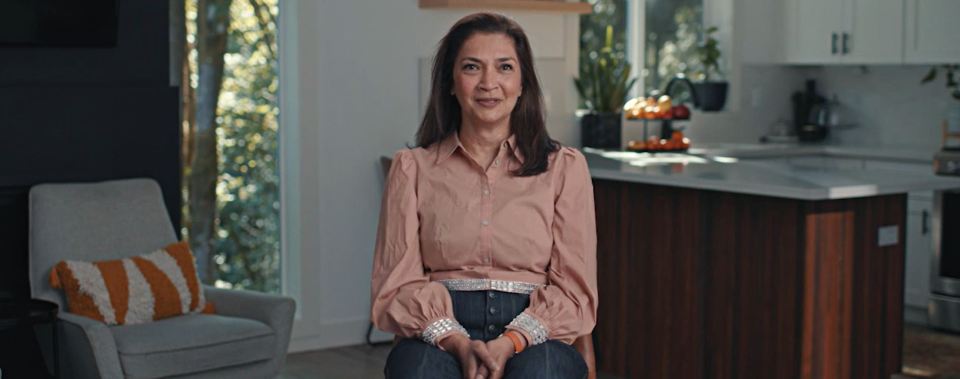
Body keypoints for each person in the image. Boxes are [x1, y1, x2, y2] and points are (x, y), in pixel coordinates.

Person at [370, 12, 597, 379]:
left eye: (505, 67)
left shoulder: (564, 168)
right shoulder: (412, 168)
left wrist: (512, 341)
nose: (489, 83)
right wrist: (456, 341)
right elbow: (394, 284)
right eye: (472, 67)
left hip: (536, 333)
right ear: (450, 82)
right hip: (439, 331)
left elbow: (574, 288)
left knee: (543, 372)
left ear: (523, 83)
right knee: (419, 371)